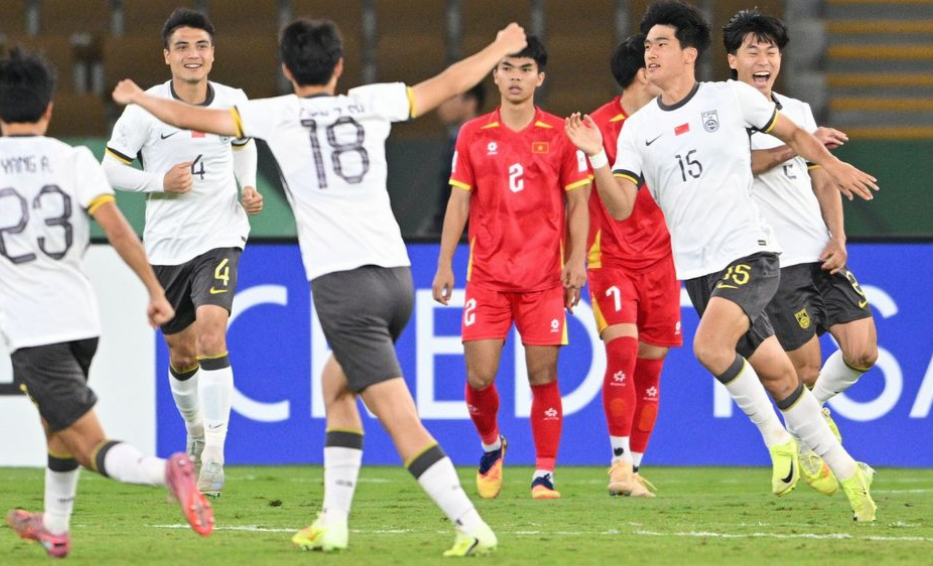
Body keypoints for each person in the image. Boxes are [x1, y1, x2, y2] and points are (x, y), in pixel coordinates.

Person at [111, 18, 528, 556]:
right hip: (397, 278)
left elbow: (193, 116)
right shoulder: (369, 102)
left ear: (287, 70)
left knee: (398, 417)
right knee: (336, 388)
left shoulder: (277, 114)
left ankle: (469, 523)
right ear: (338, 67)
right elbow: (447, 83)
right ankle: (332, 520)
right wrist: (497, 46)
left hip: (345, 288)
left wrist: (139, 98)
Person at [565, 0, 877, 521]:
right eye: (647, 45)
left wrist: (833, 164)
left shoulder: (729, 99)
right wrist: (597, 154)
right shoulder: (638, 130)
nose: (651, 53)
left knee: (710, 346)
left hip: (750, 252)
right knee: (782, 379)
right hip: (698, 271)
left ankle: (776, 438)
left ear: (689, 53)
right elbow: (619, 207)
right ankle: (849, 476)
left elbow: (795, 134)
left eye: (661, 43)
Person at [0, 48, 213, 559]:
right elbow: (118, 229)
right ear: (49, 109)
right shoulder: (73, 158)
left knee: (87, 442)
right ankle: (55, 525)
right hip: (79, 321)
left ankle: (167, 470)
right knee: (57, 426)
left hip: (33, 330)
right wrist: (155, 292)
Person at [102, 8, 263, 498]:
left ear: (212, 53)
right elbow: (108, 170)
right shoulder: (144, 109)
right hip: (167, 245)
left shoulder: (233, 100)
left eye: (201, 46)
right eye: (183, 47)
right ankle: (195, 430)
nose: (193, 55)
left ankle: (214, 453)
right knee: (182, 350)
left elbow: (243, 143)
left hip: (220, 236)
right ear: (167, 55)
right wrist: (159, 183)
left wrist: (248, 185)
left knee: (213, 333)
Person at [724, 9, 878, 495]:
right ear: (732, 60)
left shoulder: (798, 110)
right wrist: (800, 146)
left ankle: (805, 430)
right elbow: (743, 167)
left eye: (770, 49)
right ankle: (811, 435)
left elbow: (823, 178)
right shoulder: (723, 116)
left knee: (863, 351)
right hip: (775, 260)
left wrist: (839, 236)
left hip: (819, 253)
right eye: (752, 49)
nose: (764, 58)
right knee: (805, 370)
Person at [431, 36, 591, 501]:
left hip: (543, 278)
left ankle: (544, 473)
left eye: (525, 69)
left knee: (543, 376)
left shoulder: (562, 133)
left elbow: (579, 201)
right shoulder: (473, 134)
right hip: (488, 276)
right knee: (479, 377)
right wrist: (445, 263)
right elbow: (459, 201)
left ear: (540, 77)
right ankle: (491, 444)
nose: (516, 76)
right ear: (495, 76)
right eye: (508, 68)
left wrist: (576, 259)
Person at [586, 34, 679, 498]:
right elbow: (578, 202)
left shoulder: (672, 121)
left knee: (652, 367)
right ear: (644, 72)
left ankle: (634, 467)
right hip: (611, 259)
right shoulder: (597, 128)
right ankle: (619, 463)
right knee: (621, 350)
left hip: (662, 260)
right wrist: (571, 260)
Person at [420, 83, 485, 236]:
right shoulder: (454, 142)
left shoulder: (482, 144)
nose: (441, 105)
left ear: (470, 103)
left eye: (449, 98)